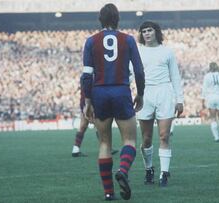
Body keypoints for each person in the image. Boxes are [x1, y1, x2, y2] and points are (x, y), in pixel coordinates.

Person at [81, 3, 145, 201]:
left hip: (99, 93)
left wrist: (87, 100)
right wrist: (140, 94)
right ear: (118, 19)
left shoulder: (91, 41)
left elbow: (86, 76)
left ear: (100, 19)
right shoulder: (128, 40)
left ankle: (109, 192)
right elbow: (140, 71)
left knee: (104, 143)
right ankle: (123, 170)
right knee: (130, 140)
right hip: (121, 91)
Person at [136, 21, 184, 187]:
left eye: (150, 30)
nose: (147, 34)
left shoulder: (167, 52)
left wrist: (180, 100)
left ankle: (164, 173)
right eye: (144, 31)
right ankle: (149, 168)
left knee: (164, 136)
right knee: (146, 138)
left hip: (164, 93)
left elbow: (175, 77)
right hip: (145, 94)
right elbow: (129, 74)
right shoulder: (138, 52)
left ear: (156, 32)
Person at [71, 88, 118, 157]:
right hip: (91, 102)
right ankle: (106, 148)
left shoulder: (84, 77)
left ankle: (75, 149)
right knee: (98, 125)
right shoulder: (91, 77)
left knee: (83, 125)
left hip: (85, 101)